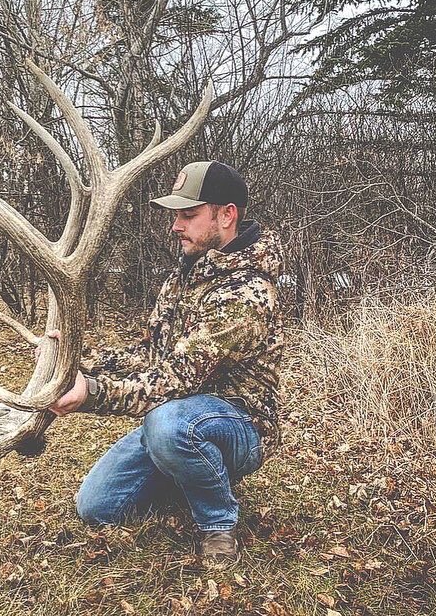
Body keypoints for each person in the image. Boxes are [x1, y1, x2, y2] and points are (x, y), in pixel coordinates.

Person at [49, 161, 284, 569]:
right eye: (176, 215)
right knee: (97, 507)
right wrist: (77, 363)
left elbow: (175, 377)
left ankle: (217, 521)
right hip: (177, 414)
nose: (176, 226)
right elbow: (150, 354)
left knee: (169, 425)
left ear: (227, 215)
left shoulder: (248, 293)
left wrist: (92, 392)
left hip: (238, 426)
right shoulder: (183, 278)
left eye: (189, 215)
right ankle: (188, 473)